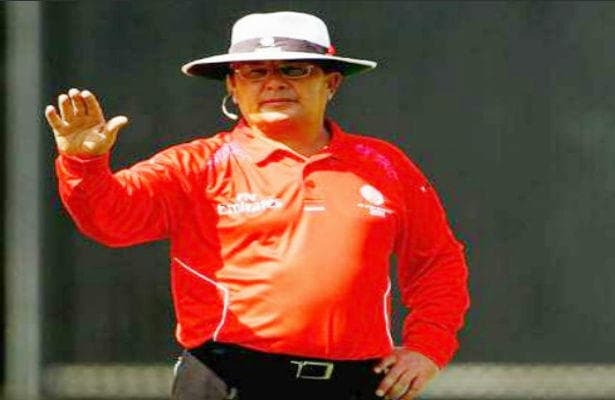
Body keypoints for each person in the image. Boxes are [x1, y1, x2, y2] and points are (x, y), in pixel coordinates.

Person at [45, 11, 469, 400]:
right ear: (233, 85)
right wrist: (83, 162)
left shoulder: (383, 164)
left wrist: (427, 347)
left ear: (331, 82)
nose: (274, 83)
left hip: (357, 383)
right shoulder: (196, 165)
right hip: (230, 379)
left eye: (294, 69)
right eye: (254, 72)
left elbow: (437, 262)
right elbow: (112, 221)